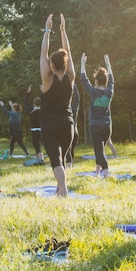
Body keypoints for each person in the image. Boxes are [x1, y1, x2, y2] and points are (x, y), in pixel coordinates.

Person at [39, 14, 75, 196]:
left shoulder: (47, 79)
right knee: (61, 159)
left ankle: (64, 191)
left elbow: (43, 53)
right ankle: (59, 188)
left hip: (50, 125)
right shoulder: (70, 77)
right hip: (68, 125)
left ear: (51, 65)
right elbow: (68, 51)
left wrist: (47, 30)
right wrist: (63, 30)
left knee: (56, 161)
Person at [80, 53, 114, 177]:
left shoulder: (93, 92)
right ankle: (97, 173)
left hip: (95, 127)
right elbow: (112, 79)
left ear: (96, 81)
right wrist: (108, 64)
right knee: (100, 151)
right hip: (107, 127)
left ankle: (106, 173)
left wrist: (82, 63)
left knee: (99, 152)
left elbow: (84, 79)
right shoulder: (109, 92)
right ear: (105, 81)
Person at [24, 85, 44, 161]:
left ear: (33, 103)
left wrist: (28, 92)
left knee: (37, 146)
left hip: (34, 130)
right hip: (43, 130)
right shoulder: (44, 110)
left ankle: (39, 158)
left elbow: (25, 102)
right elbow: (47, 100)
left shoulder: (31, 110)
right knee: (45, 144)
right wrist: (42, 90)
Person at [65, 83, 80, 167]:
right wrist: (74, 85)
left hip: (69, 132)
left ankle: (68, 166)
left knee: (68, 150)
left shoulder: (65, 109)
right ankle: (70, 165)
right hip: (75, 132)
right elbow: (77, 97)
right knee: (71, 150)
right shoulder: (75, 108)